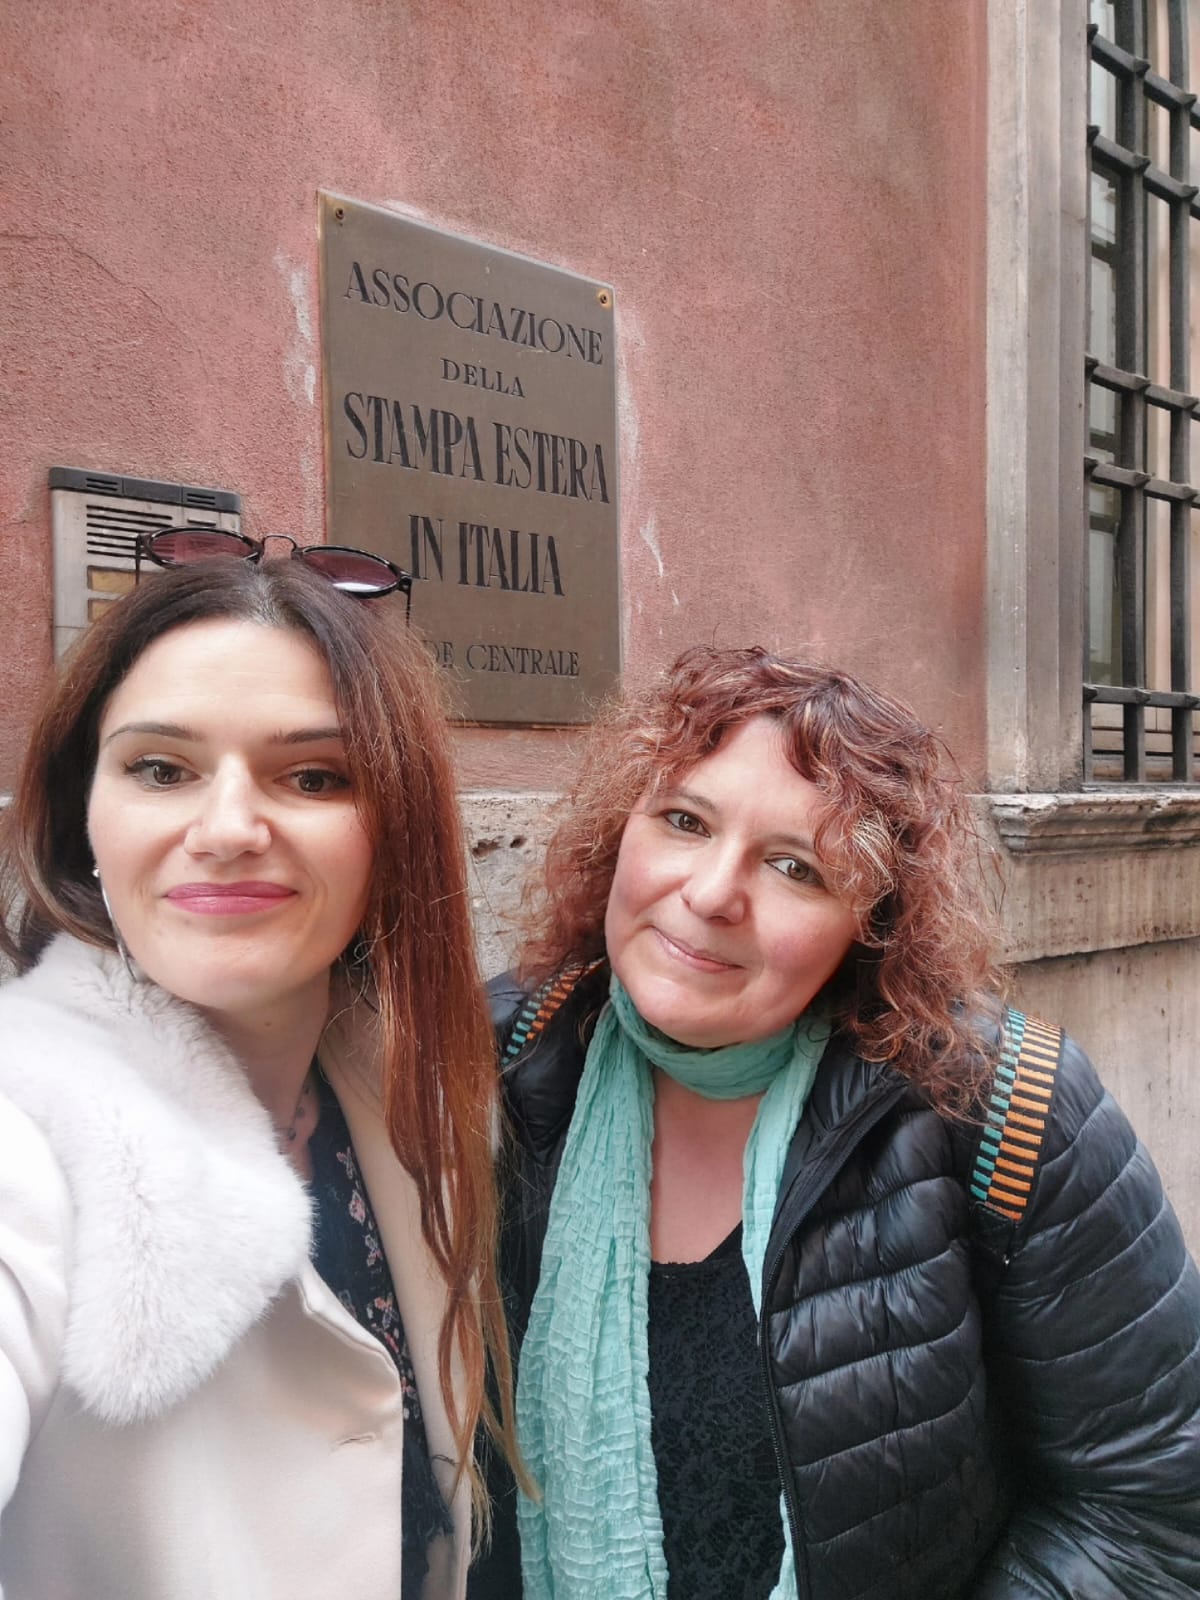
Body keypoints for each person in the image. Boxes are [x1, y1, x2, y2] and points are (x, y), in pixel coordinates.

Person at [480, 646, 1200, 1600]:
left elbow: (1149, 1510)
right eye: (685, 821)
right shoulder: (495, 1064)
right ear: (621, 834)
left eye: (797, 868)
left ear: (872, 925)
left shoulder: (1007, 1108)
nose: (711, 894)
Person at [0, 542, 519, 1600]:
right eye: (161, 769)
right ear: (82, 814)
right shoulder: (25, 1127)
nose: (229, 829)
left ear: (393, 837)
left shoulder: (419, 1104)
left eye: (314, 776)